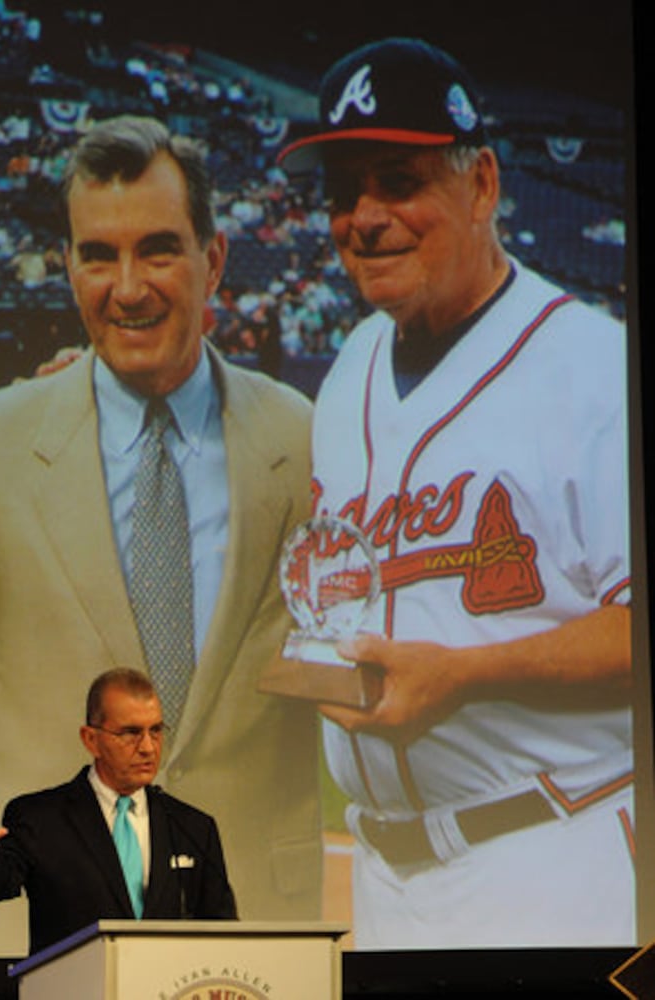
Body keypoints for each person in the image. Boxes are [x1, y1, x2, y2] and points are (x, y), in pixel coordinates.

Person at [278, 38, 633, 949]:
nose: (364, 217)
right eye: (342, 192)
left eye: (397, 181)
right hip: (386, 883)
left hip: (557, 852)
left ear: (481, 185)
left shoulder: (597, 369)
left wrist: (465, 677)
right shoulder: (351, 365)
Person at [0, 115, 319, 953]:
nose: (127, 288)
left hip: (257, 916)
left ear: (215, 261)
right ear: (69, 265)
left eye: (158, 249)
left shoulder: (303, 438)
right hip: (50, 928)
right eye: (97, 254)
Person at [0, 669, 237, 955]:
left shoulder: (193, 827)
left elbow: (224, 932)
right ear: (91, 740)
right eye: (131, 733)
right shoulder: (40, 817)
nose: (148, 747)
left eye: (156, 731)